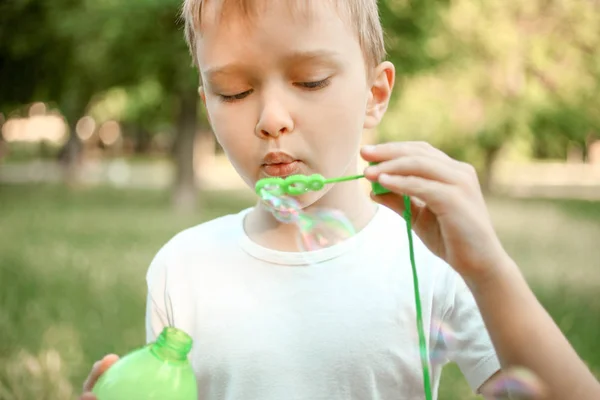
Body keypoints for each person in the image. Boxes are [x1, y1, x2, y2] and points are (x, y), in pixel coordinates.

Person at [80, 0, 600, 399]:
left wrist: (488, 269)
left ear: (375, 95)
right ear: (206, 103)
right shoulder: (183, 268)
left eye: (310, 80)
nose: (271, 119)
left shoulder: (432, 260)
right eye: (234, 92)